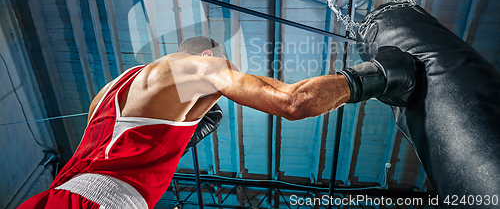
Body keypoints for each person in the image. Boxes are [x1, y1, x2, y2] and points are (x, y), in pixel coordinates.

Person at [18, 36, 417, 209]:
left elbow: (114, 155)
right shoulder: (203, 69)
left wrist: (181, 134)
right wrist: (373, 78)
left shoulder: (110, 90)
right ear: (211, 56)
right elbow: (293, 102)